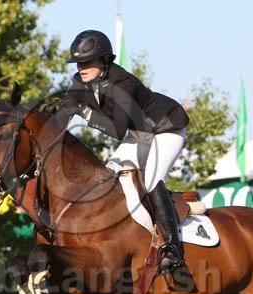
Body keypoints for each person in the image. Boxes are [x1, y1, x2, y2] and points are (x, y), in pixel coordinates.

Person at [56, 29, 190, 276]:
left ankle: (173, 250)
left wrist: (85, 113)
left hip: (166, 128)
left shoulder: (123, 83)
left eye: (87, 62)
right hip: (140, 133)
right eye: (78, 63)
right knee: (108, 176)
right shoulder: (79, 82)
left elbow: (117, 130)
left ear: (104, 61)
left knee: (151, 180)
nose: (81, 67)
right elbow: (64, 113)